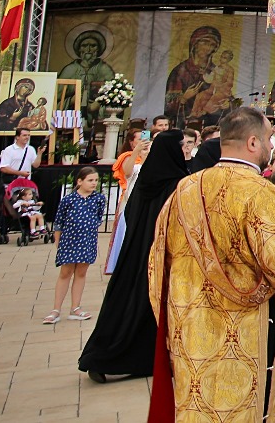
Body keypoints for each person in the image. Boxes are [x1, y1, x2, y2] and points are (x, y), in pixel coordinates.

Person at [149, 106, 275, 422]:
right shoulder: (262, 193)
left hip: (191, 329)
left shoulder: (185, 188)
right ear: (253, 143)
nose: (272, 147)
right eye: (268, 139)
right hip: (245, 331)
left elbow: (157, 262)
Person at [80, 129, 189, 382]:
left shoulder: (148, 180)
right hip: (161, 257)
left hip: (137, 253)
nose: (185, 149)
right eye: (182, 145)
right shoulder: (177, 184)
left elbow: (130, 214)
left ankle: (103, 357)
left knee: (125, 304)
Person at [44, 166, 105, 324]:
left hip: (87, 240)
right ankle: (56, 309)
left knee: (81, 272)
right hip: (70, 240)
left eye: (96, 180)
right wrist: (58, 241)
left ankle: (75, 307)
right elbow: (59, 222)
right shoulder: (69, 200)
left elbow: (98, 217)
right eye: (90, 180)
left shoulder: (98, 199)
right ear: (80, 181)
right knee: (66, 272)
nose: (94, 183)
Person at [163, 25, 226, 124]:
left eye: (212, 45)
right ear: (195, 44)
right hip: (184, 122)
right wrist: (184, 98)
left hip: (209, 121)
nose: (208, 48)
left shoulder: (215, 71)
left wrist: (225, 102)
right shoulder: (180, 71)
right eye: (205, 42)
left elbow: (224, 93)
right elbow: (169, 105)